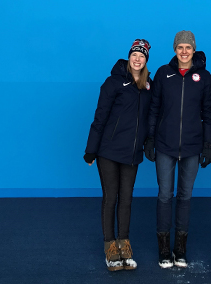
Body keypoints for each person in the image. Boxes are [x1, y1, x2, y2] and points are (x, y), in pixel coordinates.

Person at [145, 31, 211, 269]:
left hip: (193, 147)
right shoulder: (163, 74)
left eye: (188, 47)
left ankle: (180, 248)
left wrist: (208, 144)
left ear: (194, 50)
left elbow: (208, 113)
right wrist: (150, 139)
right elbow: (154, 108)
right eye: (180, 47)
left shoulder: (204, 77)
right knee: (165, 195)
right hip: (165, 145)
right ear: (175, 49)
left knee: (185, 196)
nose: (184, 51)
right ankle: (164, 247)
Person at [83, 39, 152, 272]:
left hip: (132, 154)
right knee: (110, 198)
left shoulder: (147, 86)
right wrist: (91, 149)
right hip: (108, 152)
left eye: (142, 56)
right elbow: (100, 116)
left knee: (126, 200)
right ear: (129, 57)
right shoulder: (113, 82)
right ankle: (110, 247)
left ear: (145, 61)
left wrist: (148, 143)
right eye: (135, 54)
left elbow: (150, 119)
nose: (137, 59)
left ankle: (124, 244)